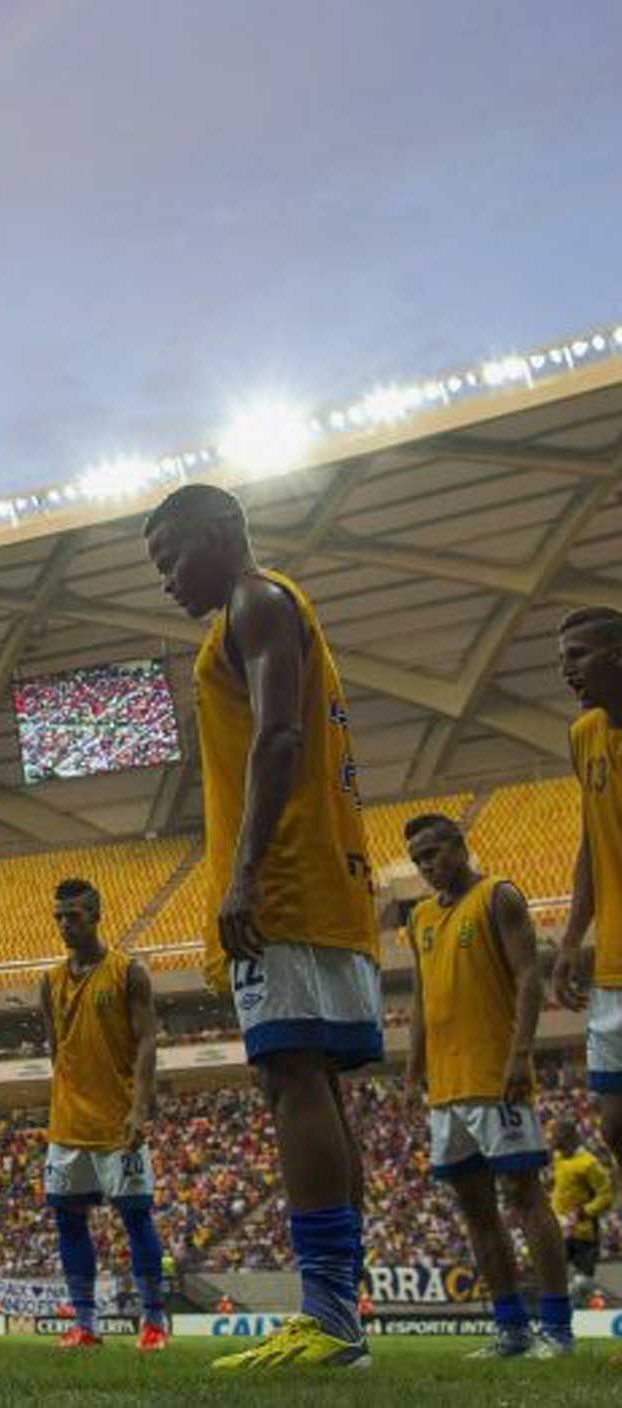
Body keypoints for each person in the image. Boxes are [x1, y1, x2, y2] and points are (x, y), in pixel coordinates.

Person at [144, 484, 377, 1370]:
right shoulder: (247, 615)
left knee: (293, 1079)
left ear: (219, 533)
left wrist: (243, 877)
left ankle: (328, 1318)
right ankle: (340, 1315)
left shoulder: (257, 600)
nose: (167, 579)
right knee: (310, 1079)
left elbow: (278, 738)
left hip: (286, 879)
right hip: (317, 877)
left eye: (172, 556)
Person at [402, 813, 571, 1357]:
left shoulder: (499, 895)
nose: (427, 866)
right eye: (418, 860)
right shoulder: (421, 918)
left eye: (433, 853)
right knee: (476, 1211)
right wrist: (412, 1073)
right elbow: (424, 1001)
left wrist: (521, 1052)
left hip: (496, 1076)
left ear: (460, 845)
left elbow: (529, 976)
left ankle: (558, 1329)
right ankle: (511, 1329)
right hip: (446, 1089)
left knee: (525, 1195)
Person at [38, 878, 168, 1353]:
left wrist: (140, 1107)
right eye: (58, 917)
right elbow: (56, 1049)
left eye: (73, 915)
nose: (64, 925)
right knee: (67, 1221)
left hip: (118, 1122)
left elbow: (149, 1039)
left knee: (136, 1218)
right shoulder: (48, 981)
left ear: (96, 915)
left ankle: (153, 1322)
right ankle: (85, 1326)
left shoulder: (127, 972)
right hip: (68, 1125)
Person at [553, 606, 622, 1170]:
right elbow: (590, 843)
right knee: (616, 1125)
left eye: (578, 656)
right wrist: (572, 939)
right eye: (562, 660)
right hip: (612, 967)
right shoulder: (584, 735)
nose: (566, 671)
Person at [551, 1121, 613, 1304]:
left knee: (583, 1281)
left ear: (569, 1137)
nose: (552, 1139)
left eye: (556, 1135)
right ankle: (563, 1314)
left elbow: (606, 1196)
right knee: (555, 1276)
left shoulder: (589, 1163)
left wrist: (585, 1212)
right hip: (560, 1229)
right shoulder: (557, 1158)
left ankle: (584, 1306)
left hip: (584, 1232)